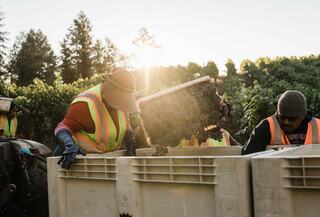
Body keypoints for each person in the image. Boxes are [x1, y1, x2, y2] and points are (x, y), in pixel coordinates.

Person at [54, 68, 139, 169]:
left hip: (103, 163)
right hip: (74, 163)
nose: (121, 104)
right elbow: (62, 127)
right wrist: (69, 145)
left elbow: (125, 126)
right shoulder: (85, 103)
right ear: (109, 92)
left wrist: (130, 145)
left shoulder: (123, 104)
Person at [242, 90, 320, 155]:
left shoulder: (318, 127)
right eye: (282, 117)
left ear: (303, 115)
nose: (286, 122)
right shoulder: (267, 126)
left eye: (291, 119)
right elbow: (247, 157)